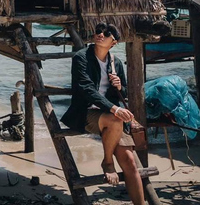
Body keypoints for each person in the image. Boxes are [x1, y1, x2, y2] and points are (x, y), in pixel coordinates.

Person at [60, 23, 144, 205]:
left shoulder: (116, 63)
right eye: (98, 31)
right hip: (86, 113)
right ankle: (107, 162)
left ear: (113, 42)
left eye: (106, 34)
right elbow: (86, 89)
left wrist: (120, 86)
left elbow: (126, 93)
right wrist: (115, 109)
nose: (100, 34)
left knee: (130, 162)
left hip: (111, 117)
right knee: (115, 119)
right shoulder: (81, 58)